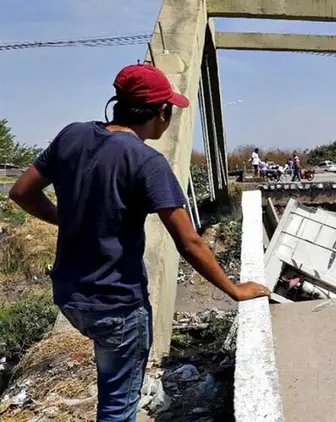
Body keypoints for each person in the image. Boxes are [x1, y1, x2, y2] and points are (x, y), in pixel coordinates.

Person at [8, 63, 271, 422]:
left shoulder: (72, 135)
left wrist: (68, 219)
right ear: (161, 112)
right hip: (117, 305)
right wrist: (234, 289)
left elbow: (21, 192)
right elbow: (189, 241)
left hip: (70, 296)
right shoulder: (147, 162)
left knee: (113, 391)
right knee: (118, 406)